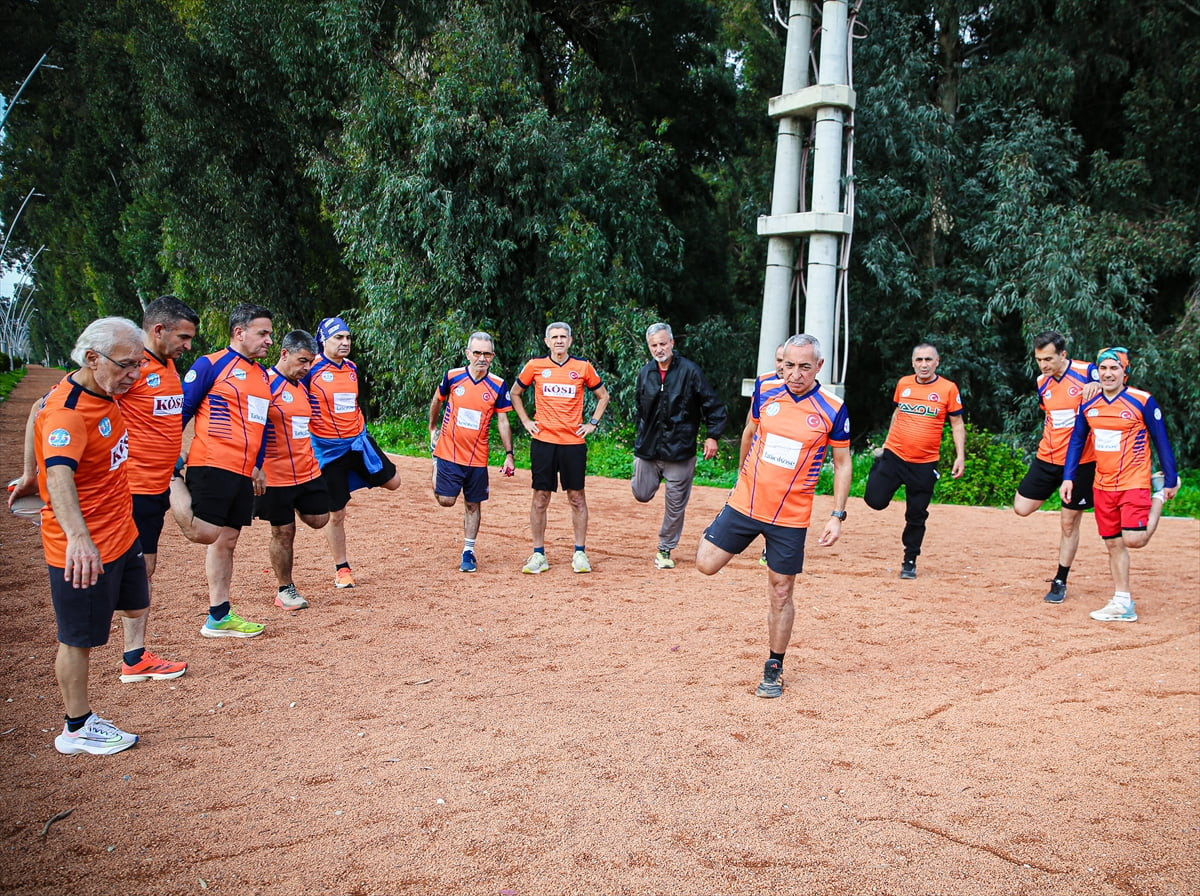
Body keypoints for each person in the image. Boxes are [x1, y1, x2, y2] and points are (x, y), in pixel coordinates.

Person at [10, 296, 199, 683]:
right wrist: (31, 473)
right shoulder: (121, 373)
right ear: (158, 330)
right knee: (131, 572)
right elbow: (41, 411)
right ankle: (133, 656)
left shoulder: (162, 365)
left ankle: (134, 653)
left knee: (142, 569)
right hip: (131, 488)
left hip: (155, 487)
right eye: (183, 337)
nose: (188, 345)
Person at [695, 334, 850, 699]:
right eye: (789, 365)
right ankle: (749, 537)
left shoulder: (833, 408)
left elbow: (842, 463)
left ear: (819, 366)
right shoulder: (765, 388)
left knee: (781, 591)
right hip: (746, 503)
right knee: (705, 563)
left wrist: (837, 515)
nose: (795, 374)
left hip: (790, 517)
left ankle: (774, 665)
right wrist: (740, 477)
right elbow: (750, 432)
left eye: (804, 367)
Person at [34, 318, 148, 754]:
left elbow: (34, 411)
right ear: (92, 358)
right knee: (77, 640)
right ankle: (77, 727)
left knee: (137, 604)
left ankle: (134, 660)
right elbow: (59, 476)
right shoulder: (68, 413)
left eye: (138, 364)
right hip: (85, 547)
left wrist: (26, 473)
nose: (134, 374)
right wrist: (78, 539)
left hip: (121, 531)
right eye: (127, 365)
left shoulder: (104, 389)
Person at [171, 303, 274, 638]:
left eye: (270, 334)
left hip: (242, 471)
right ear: (239, 332)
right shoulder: (211, 364)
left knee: (227, 541)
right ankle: (171, 481)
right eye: (263, 333)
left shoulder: (263, 376)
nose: (269, 340)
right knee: (205, 533)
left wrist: (258, 464)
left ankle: (219, 614)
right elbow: (183, 409)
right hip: (211, 462)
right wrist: (167, 455)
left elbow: (261, 424)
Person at [1061, 347, 1180, 622]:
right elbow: (1077, 441)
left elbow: (1161, 440)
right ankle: (1122, 601)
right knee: (1113, 544)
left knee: (1134, 539)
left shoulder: (1142, 400)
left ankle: (1158, 496)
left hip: (1133, 481)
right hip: (1102, 485)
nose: (1108, 373)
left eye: (1114, 368)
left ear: (1125, 372)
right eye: (1103, 368)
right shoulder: (1088, 404)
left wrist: (1170, 478)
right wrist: (1068, 477)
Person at [303, 317, 402, 589]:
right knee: (336, 514)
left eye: (347, 337)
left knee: (394, 482)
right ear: (323, 340)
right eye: (338, 338)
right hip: (329, 451)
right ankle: (342, 569)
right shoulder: (310, 370)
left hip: (358, 442)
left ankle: (349, 481)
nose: (345, 342)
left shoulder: (351, 368)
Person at [509, 321, 610, 574]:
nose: (559, 341)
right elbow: (514, 393)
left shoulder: (582, 367)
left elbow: (603, 396)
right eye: (554, 337)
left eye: (563, 337)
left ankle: (580, 553)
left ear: (570, 340)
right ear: (547, 342)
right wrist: (526, 421)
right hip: (543, 442)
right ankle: (538, 554)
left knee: (576, 497)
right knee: (540, 497)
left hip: (573, 443)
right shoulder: (535, 366)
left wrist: (592, 424)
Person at [1012, 331, 1101, 603]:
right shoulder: (1042, 381)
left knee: (1068, 522)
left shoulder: (1088, 372)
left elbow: (1115, 383)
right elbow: (1049, 413)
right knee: (1021, 507)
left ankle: (1060, 579)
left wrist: (1098, 385)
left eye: (1048, 359)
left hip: (1081, 462)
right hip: (1047, 457)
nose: (1043, 365)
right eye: (1039, 360)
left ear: (1063, 354)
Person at [863, 342, 965, 579]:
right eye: (919, 360)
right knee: (874, 500)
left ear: (937, 362)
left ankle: (909, 560)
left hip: (924, 463)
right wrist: (886, 443)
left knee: (916, 515)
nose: (924, 364)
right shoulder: (904, 384)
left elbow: (957, 423)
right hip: (894, 455)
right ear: (913, 363)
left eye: (928, 360)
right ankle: (879, 465)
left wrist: (960, 456)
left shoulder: (948, 388)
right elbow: (897, 412)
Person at [631, 322, 728, 569]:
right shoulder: (645, 373)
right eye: (654, 345)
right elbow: (639, 408)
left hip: (680, 451)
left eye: (663, 344)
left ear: (672, 343)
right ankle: (649, 475)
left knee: (675, 506)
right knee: (641, 493)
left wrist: (712, 436)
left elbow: (713, 405)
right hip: (648, 450)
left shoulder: (690, 371)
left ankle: (665, 548)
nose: (659, 349)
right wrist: (640, 436)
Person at [428, 331, 516, 572]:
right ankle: (435, 463)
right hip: (448, 450)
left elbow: (503, 421)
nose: (481, 358)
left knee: (473, 504)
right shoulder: (453, 376)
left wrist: (509, 454)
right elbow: (437, 400)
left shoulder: (498, 385)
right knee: (446, 501)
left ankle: (468, 551)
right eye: (477, 353)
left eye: (487, 354)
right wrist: (433, 428)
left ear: (492, 356)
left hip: (477, 457)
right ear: (468, 354)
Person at [256, 331, 330, 609]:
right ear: (284, 354)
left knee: (320, 519)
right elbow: (252, 427)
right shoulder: (266, 384)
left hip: (307, 470)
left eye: (310, 362)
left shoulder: (302, 386)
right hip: (276, 475)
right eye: (302, 361)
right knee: (283, 533)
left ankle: (294, 507)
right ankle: (285, 589)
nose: (307, 368)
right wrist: (256, 466)